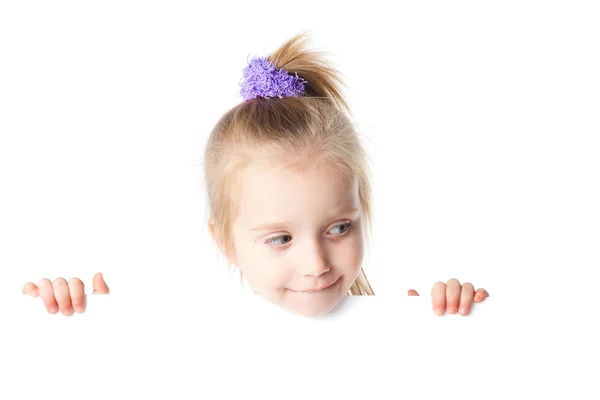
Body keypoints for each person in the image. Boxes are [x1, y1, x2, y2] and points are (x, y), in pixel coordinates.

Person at [21, 31, 489, 318]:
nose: (316, 263)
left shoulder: (396, 319)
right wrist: (70, 318)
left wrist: (449, 324)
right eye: (280, 238)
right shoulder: (189, 331)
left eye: (339, 227)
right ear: (225, 240)